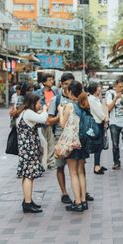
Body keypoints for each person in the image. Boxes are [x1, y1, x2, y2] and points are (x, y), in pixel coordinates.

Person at [16, 92, 53, 213]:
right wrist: (46, 108)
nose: (40, 104)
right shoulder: (28, 113)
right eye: (38, 102)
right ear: (32, 103)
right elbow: (43, 119)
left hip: (26, 149)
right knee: (28, 175)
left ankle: (28, 200)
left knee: (28, 175)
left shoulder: (23, 113)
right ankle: (27, 203)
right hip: (29, 149)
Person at [58, 81, 90, 213]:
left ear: (71, 92)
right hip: (83, 142)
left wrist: (60, 111)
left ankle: (77, 202)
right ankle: (83, 200)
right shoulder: (84, 104)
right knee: (81, 172)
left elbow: (62, 124)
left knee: (73, 173)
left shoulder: (69, 106)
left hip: (72, 142)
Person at [48, 72, 75, 204]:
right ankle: (64, 193)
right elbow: (49, 120)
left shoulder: (77, 98)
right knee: (60, 166)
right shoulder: (56, 100)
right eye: (65, 84)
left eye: (70, 84)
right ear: (61, 84)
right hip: (60, 137)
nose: (67, 87)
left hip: (75, 138)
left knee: (78, 166)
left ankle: (81, 192)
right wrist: (61, 115)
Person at [105, 78, 123, 170]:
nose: (121, 89)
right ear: (115, 86)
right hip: (114, 123)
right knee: (115, 144)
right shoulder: (110, 94)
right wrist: (116, 98)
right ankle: (116, 162)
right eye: (120, 87)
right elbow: (108, 108)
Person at [88, 82, 108, 175]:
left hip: (99, 123)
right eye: (98, 87)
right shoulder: (91, 99)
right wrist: (105, 119)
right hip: (96, 124)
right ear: (94, 89)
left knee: (100, 145)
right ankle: (96, 167)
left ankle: (98, 164)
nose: (100, 88)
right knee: (98, 145)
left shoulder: (96, 99)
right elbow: (99, 112)